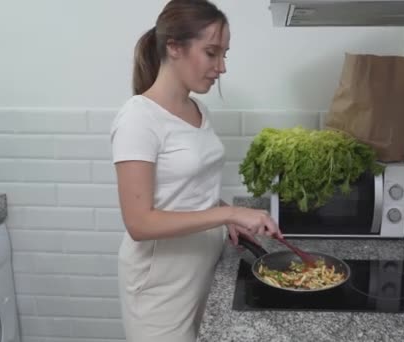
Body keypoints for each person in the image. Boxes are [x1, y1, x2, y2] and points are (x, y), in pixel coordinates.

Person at [110, 1, 282, 341]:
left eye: (224, 54)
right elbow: (139, 223)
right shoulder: (138, 118)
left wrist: (225, 215)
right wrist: (229, 212)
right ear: (174, 47)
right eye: (212, 53)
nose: (222, 67)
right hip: (159, 288)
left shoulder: (197, 109)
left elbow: (191, 191)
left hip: (203, 268)